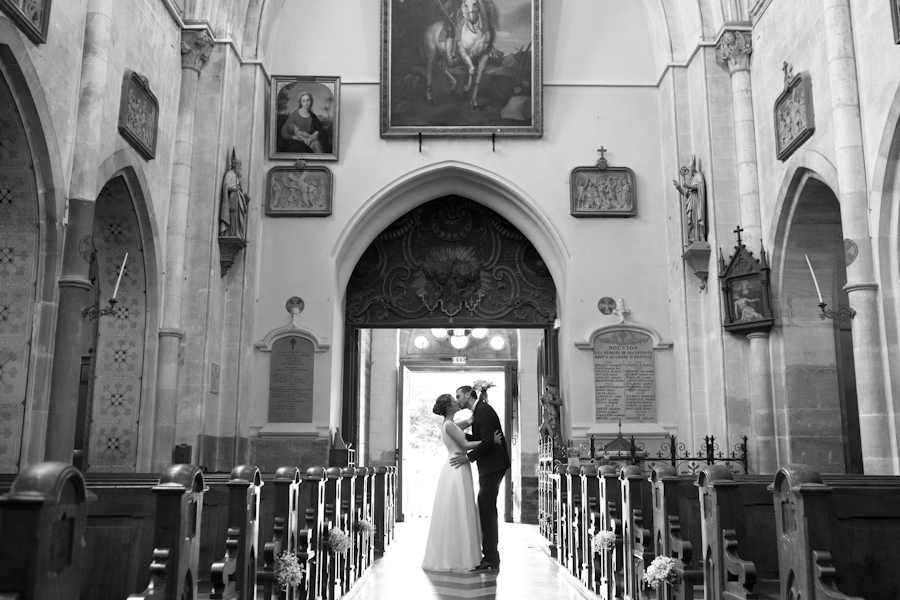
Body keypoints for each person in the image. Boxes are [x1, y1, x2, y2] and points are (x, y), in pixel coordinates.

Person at [422, 394, 502, 572]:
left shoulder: (451, 424)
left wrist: (482, 397)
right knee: (457, 508)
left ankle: (463, 552)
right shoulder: (449, 425)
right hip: (456, 468)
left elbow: (472, 420)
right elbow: (465, 444)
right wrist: (490, 441)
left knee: (462, 508)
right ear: (449, 408)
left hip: (460, 466)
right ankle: (456, 555)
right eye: (454, 400)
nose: (457, 402)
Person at [449, 384, 510, 571]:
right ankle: (491, 555)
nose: (457, 400)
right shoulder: (480, 411)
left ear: (468, 394)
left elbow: (486, 442)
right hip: (491, 465)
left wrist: (468, 457)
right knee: (486, 507)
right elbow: (482, 438)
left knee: (486, 509)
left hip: (493, 465)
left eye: (459, 396)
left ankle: (491, 557)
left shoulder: (483, 410)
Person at [219, 150, 248, 240]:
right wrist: (234, 189)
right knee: (233, 217)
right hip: (233, 199)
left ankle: (237, 233)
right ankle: (232, 232)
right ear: (235, 165)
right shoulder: (230, 174)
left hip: (237, 199)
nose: (240, 168)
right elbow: (226, 185)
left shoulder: (236, 176)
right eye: (239, 166)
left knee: (239, 218)